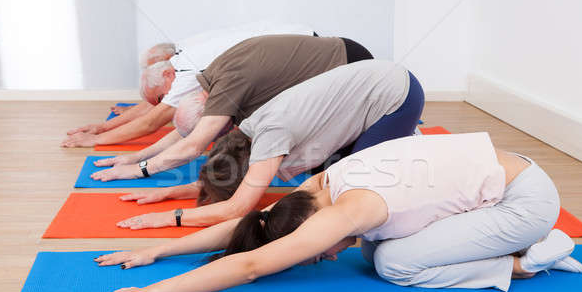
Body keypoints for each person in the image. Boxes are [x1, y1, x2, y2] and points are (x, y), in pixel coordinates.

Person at [82, 132, 582, 292]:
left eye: (315, 249)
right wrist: (160, 250)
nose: (325, 254)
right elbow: (253, 225)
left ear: (313, 228)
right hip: (502, 176)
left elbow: (253, 265)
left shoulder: (350, 209)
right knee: (373, 251)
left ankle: (527, 260)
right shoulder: (322, 185)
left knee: (392, 263)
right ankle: (519, 249)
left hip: (525, 202)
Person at [114, 59, 424, 229]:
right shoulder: (247, 133)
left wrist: (171, 217)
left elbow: (237, 209)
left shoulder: (272, 135)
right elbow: (224, 175)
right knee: (331, 173)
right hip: (372, 82)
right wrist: (170, 191)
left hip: (397, 95)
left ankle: (412, 155)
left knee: (357, 187)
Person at [88, 33, 373, 180]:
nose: (218, 136)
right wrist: (137, 156)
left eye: (215, 131)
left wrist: (141, 170)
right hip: (337, 55)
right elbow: (188, 133)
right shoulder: (209, 82)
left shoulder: (226, 89)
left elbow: (193, 145)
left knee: (326, 165)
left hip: (350, 63)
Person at [61, 22, 316, 148]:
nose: (162, 102)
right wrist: (103, 126)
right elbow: (157, 104)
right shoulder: (180, 61)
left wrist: (95, 140)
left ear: (167, 73)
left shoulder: (185, 71)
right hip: (295, 42)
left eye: (161, 96)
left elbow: (153, 120)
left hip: (305, 49)